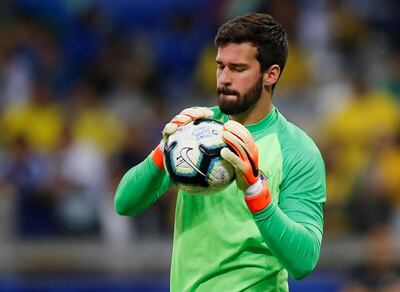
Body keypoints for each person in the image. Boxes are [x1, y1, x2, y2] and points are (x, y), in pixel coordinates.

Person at [115, 13, 326, 291]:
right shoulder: (194, 132)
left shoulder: (296, 150)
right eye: (220, 67)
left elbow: (303, 261)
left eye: (237, 69)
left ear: (270, 74)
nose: (224, 79)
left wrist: (255, 191)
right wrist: (162, 151)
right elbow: (125, 203)